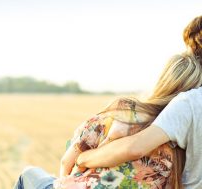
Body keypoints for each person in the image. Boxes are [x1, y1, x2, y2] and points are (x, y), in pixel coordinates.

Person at [14, 15, 202, 189]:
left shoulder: (183, 105)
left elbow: (134, 148)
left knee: (27, 175)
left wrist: (84, 159)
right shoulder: (174, 144)